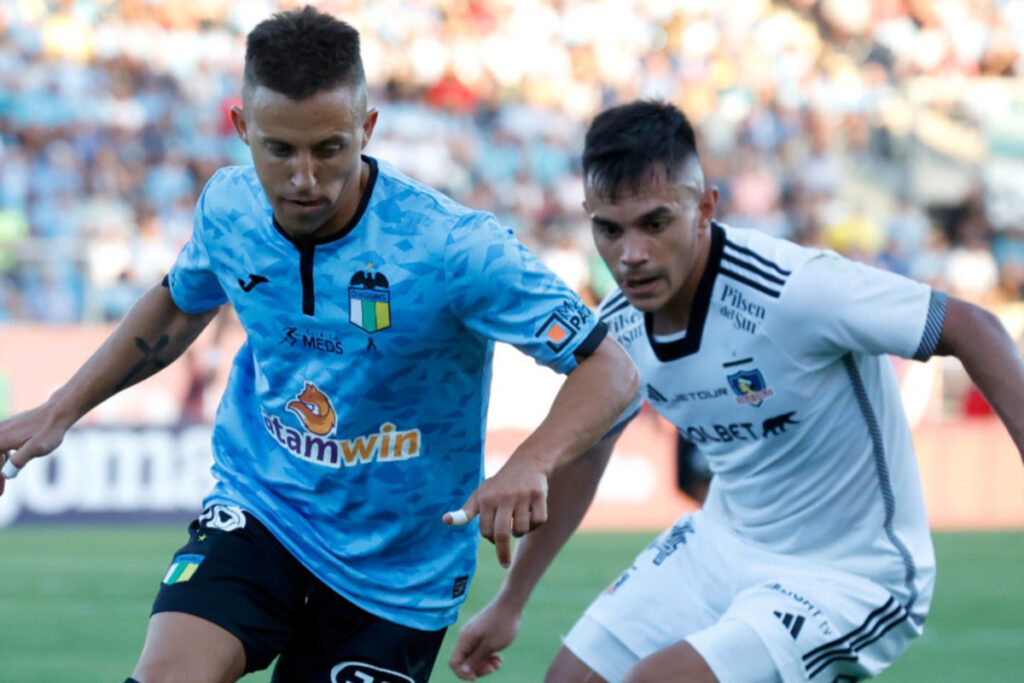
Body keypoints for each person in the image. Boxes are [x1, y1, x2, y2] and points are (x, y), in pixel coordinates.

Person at [0, 8, 638, 683]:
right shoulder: (229, 208)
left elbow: (613, 370)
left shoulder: (453, 247)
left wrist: (531, 461)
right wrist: (61, 407)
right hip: (263, 509)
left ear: (366, 129)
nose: (304, 177)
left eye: (329, 148)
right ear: (242, 127)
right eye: (280, 149)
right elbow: (181, 302)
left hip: (398, 573)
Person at [449, 100, 1024, 683]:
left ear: (704, 208)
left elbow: (973, 327)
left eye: (655, 223)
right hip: (722, 545)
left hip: (851, 573)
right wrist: (511, 601)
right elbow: (586, 450)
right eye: (609, 229)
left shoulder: (793, 289)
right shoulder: (618, 329)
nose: (632, 254)